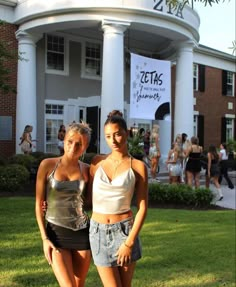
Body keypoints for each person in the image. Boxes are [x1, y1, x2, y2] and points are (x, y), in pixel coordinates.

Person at [88, 110, 148, 287]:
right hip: (97, 232)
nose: (112, 141)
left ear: (127, 133)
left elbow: (143, 208)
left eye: (117, 134)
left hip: (125, 232)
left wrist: (128, 243)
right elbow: (83, 195)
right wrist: (50, 202)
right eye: (108, 136)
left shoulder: (138, 166)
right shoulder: (96, 162)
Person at [35, 122, 92, 287]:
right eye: (70, 141)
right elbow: (38, 204)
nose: (73, 147)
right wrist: (44, 238)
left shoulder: (88, 170)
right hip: (56, 232)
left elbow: (91, 202)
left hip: (82, 233)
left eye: (79, 144)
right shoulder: (47, 165)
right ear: (64, 140)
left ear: (85, 147)